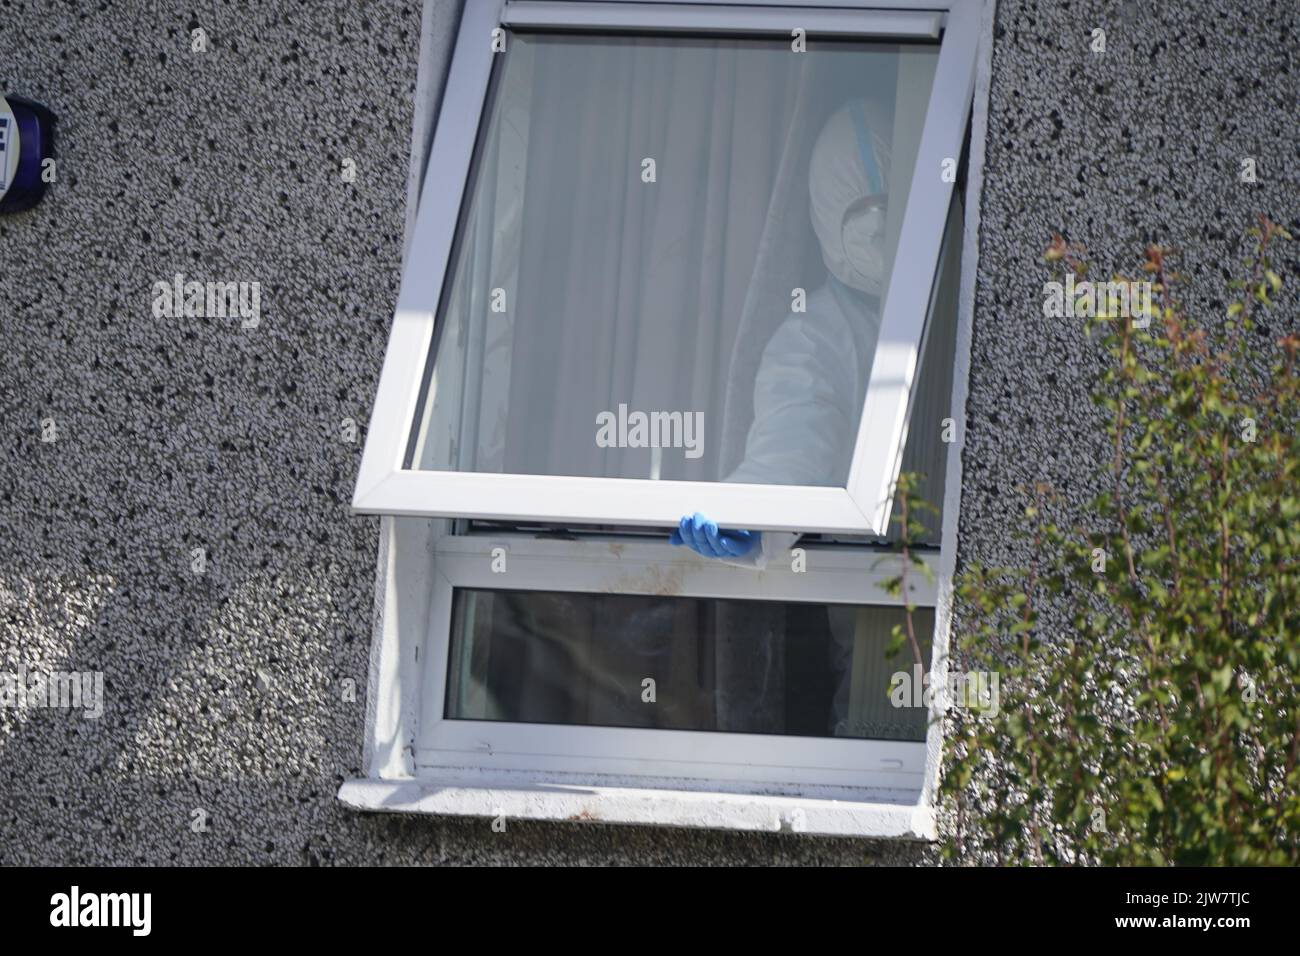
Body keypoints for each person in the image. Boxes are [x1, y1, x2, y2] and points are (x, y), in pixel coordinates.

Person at [670, 98, 892, 569]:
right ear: (827, 217)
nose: (878, 230)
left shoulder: (938, 304)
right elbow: (792, 445)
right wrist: (748, 515)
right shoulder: (814, 338)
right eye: (863, 211)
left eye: (889, 208)